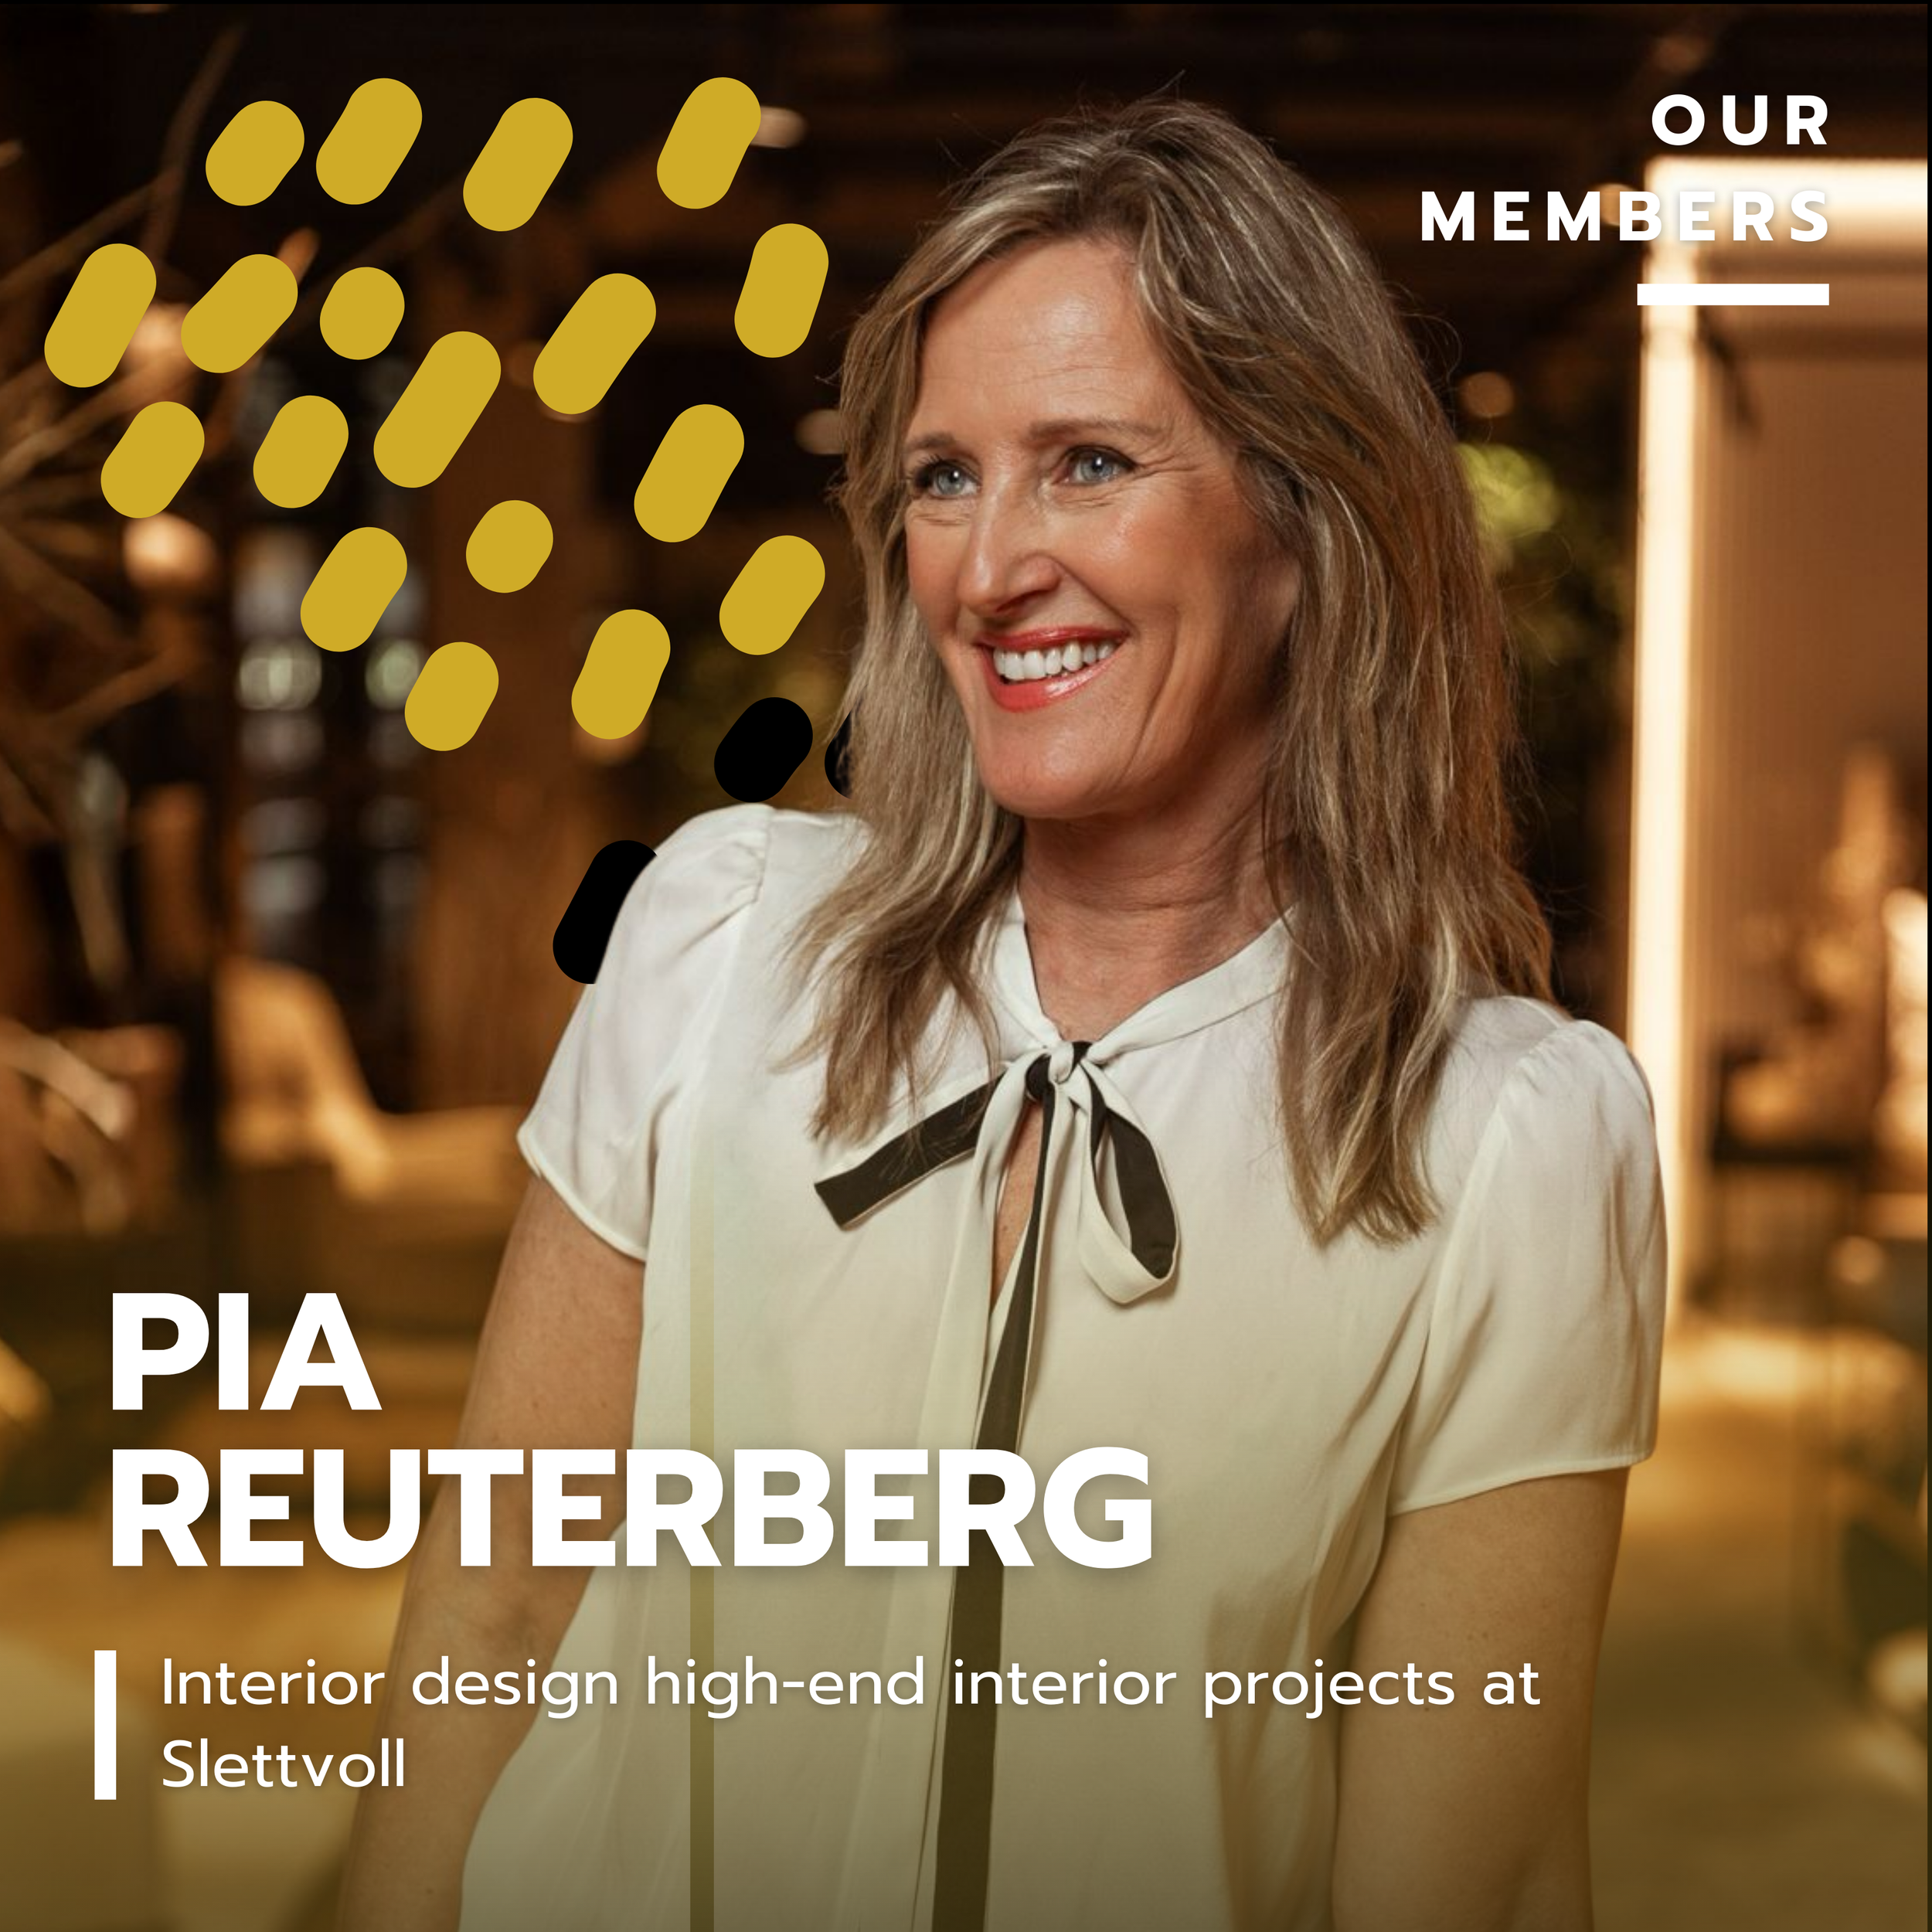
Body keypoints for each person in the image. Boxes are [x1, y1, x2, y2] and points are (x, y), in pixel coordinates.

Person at [340, 99, 1665, 1932]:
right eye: (943, 476)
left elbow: (1473, 1874)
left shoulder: (1507, 1138)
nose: (985, 567)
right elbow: (491, 1605)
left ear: (1304, 521)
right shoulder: (714, 941)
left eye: (1088, 462)